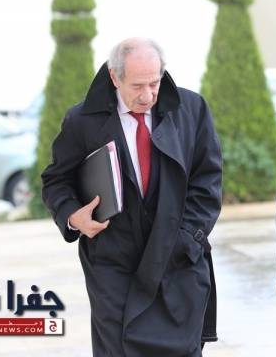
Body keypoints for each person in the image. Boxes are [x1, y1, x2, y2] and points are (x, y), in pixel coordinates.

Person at [41, 38, 222, 357]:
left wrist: (188, 238)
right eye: (137, 86)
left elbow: (207, 181)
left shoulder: (192, 109)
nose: (148, 95)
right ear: (115, 77)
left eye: (155, 83)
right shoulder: (82, 120)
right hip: (114, 266)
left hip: (177, 260)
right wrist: (73, 215)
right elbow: (56, 180)